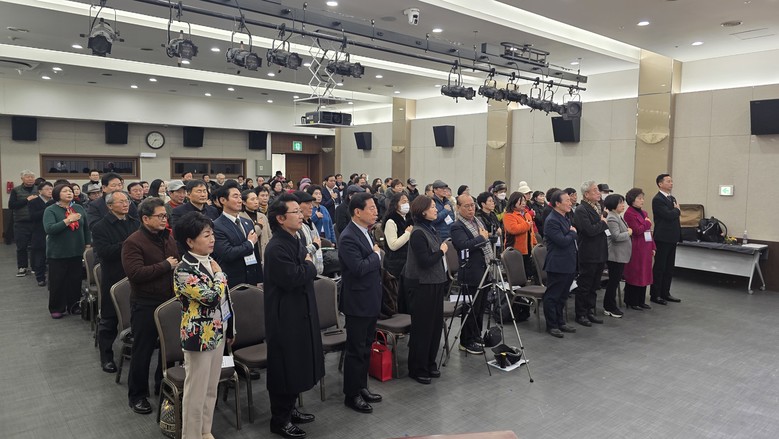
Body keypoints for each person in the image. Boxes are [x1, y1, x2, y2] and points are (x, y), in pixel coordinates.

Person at [263, 194, 323, 439]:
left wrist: (306, 265)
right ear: (280, 218)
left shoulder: (294, 238)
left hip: (299, 310)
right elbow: (294, 277)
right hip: (284, 316)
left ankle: (290, 409)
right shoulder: (276, 247)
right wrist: (308, 265)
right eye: (295, 212)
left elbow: (302, 270)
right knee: (285, 366)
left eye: (301, 211)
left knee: (296, 364)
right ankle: (280, 420)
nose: (301, 215)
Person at [172, 212, 234, 439]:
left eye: (212, 234)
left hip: (218, 331)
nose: (212, 239)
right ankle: (191, 435)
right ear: (190, 241)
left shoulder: (209, 260)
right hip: (198, 336)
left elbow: (225, 300)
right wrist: (220, 276)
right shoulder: (184, 269)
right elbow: (211, 298)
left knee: (210, 387)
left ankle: (205, 430)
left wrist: (230, 328)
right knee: (195, 392)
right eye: (206, 235)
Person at [122, 197, 179, 415]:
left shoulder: (167, 237)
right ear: (145, 219)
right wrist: (166, 265)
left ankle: (162, 385)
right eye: (160, 216)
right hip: (145, 304)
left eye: (165, 215)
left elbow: (176, 260)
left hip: (169, 301)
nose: (164, 219)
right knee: (143, 351)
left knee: (168, 349)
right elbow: (135, 274)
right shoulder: (133, 242)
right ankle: (137, 395)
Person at [339, 192, 383, 413]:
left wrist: (374, 256)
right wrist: (376, 256)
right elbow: (358, 268)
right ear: (357, 212)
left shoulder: (366, 231)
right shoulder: (348, 236)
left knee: (366, 347)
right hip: (357, 302)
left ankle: (362, 386)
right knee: (356, 350)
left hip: (370, 298)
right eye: (371, 208)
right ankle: (352, 394)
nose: (376, 211)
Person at [92, 191, 139, 373]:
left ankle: (133, 349)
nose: (125, 204)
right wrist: (129, 245)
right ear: (110, 206)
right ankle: (106, 357)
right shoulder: (100, 227)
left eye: (127, 201)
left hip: (135, 275)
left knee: (135, 315)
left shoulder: (135, 222)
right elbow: (104, 252)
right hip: (113, 277)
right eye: (120, 202)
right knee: (109, 320)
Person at [404, 195, 448, 383]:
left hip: (435, 282)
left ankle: (430, 363)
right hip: (422, 286)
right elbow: (425, 261)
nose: (436, 209)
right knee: (422, 329)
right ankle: (417, 368)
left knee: (435, 327)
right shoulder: (418, 233)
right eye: (432, 207)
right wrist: (441, 251)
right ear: (422, 211)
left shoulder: (431, 229)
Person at [450, 194, 491, 355]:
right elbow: (463, 245)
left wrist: (488, 237)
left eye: (472, 205)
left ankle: (476, 335)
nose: (470, 209)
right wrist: (482, 238)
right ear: (458, 208)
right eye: (466, 206)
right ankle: (466, 341)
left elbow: (485, 238)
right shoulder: (457, 226)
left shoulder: (478, 221)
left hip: (484, 268)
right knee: (470, 309)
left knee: (480, 308)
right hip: (470, 272)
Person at [42, 183, 90, 319]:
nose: (69, 193)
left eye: (70, 191)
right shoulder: (51, 210)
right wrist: (68, 220)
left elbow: (86, 228)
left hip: (76, 251)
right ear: (57, 194)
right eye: (65, 191)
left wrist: (87, 245)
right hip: (58, 253)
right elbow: (50, 229)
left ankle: (74, 306)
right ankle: (57, 308)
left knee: (75, 281)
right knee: (58, 281)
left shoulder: (78, 208)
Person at [542, 190, 579, 338]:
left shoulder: (565, 217)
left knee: (563, 295)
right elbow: (562, 241)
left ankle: (560, 321)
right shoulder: (552, 220)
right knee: (553, 296)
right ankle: (552, 325)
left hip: (568, 262)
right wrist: (572, 233)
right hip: (557, 263)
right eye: (567, 201)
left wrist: (570, 233)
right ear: (557, 203)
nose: (570, 203)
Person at [572, 180, 608, 327]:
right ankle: (581, 313)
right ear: (586, 194)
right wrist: (603, 223)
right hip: (588, 252)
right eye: (595, 190)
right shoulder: (581, 209)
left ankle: (590, 311)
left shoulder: (599, 207)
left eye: (598, 190)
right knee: (585, 285)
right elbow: (589, 230)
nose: (598, 193)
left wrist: (601, 223)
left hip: (600, 251)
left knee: (594, 285)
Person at [212, 182, 261, 289]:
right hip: (233, 281)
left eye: (240, 196)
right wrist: (249, 243)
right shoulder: (217, 226)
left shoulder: (247, 222)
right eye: (235, 197)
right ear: (223, 200)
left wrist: (259, 279)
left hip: (251, 278)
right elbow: (227, 253)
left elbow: (255, 252)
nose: (239, 200)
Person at [650, 174, 682, 304]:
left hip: (672, 237)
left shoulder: (672, 198)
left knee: (669, 267)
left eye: (671, 181)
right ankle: (655, 294)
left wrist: (675, 211)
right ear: (660, 184)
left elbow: (673, 216)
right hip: (662, 237)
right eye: (668, 181)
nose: (671, 183)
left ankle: (665, 292)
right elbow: (668, 215)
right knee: (660, 267)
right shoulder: (657, 199)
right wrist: (677, 210)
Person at [623, 188, 655, 311]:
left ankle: (641, 300)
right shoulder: (629, 214)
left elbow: (649, 232)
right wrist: (647, 223)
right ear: (632, 200)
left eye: (643, 198)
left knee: (645, 274)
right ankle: (632, 301)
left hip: (646, 246)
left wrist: (653, 246)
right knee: (635, 273)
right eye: (639, 198)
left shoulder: (644, 213)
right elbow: (636, 231)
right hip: (636, 247)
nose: (642, 201)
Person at [603, 194, 631, 318]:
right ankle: (609, 306)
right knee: (613, 282)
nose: (623, 205)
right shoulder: (612, 218)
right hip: (615, 255)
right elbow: (616, 236)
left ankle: (610, 305)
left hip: (620, 254)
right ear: (613, 204)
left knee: (615, 281)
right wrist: (628, 233)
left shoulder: (618, 216)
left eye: (623, 202)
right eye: (620, 203)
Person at [9, 170, 38, 277]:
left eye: (32, 177)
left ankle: (35, 267)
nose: (30, 179)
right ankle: (22, 267)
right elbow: (12, 205)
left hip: (36, 222)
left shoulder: (38, 189)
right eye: (27, 177)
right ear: (22, 179)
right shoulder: (16, 190)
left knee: (36, 246)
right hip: (21, 222)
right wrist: (27, 200)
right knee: (21, 246)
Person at [503, 192, 537, 280]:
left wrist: (534, 243)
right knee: (516, 275)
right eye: (520, 201)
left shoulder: (527, 214)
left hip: (528, 249)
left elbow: (531, 232)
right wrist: (527, 225)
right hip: (514, 250)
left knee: (527, 273)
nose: (523, 203)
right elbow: (513, 229)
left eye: (524, 201)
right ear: (513, 201)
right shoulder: (509, 215)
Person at [382, 192, 412, 280]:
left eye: (407, 202)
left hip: (408, 262)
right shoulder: (391, 221)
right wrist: (407, 233)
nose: (406, 204)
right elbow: (393, 245)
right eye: (403, 202)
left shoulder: (409, 219)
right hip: (395, 264)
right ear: (395, 204)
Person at [28, 181, 53, 287]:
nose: (50, 191)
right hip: (39, 232)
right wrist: (47, 208)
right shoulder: (34, 202)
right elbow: (33, 216)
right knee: (40, 257)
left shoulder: (55, 201)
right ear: (40, 191)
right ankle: (40, 278)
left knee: (52, 258)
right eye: (47, 189)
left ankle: (53, 279)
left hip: (52, 232)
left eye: (51, 189)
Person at [239, 189, 272, 263]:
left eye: (256, 199)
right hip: (250, 256)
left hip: (265, 255)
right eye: (252, 199)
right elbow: (246, 236)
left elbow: (269, 236)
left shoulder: (262, 216)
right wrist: (259, 226)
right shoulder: (240, 217)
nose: (256, 202)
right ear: (244, 202)